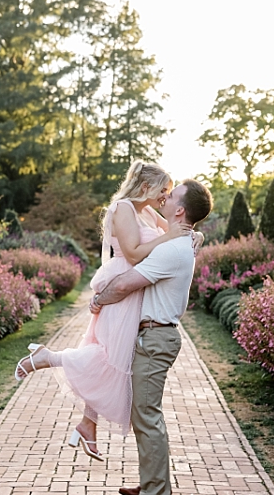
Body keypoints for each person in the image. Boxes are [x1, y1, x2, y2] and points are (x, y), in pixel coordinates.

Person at [13, 161, 201, 460]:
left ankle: (88, 424)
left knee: (114, 355)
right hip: (123, 285)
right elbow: (134, 253)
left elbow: (179, 232)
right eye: (163, 190)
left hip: (137, 289)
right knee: (111, 355)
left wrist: (194, 235)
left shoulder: (149, 211)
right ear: (145, 188)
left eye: (169, 192)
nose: (166, 197)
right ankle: (48, 357)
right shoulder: (124, 208)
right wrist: (171, 235)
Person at [88, 178, 213, 495]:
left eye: (171, 195)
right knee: (144, 414)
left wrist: (98, 299)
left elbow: (127, 284)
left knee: (147, 415)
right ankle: (150, 484)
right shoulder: (179, 240)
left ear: (181, 209)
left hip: (156, 338)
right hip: (155, 336)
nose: (165, 196)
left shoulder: (172, 249)